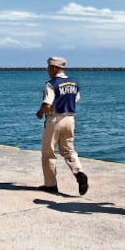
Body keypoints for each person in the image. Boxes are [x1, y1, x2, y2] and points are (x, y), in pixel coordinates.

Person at [35, 56, 88, 195]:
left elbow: (47, 104)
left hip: (55, 119)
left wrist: (40, 113)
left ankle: (50, 184)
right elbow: (77, 98)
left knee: (48, 153)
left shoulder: (51, 84)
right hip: (70, 119)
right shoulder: (74, 83)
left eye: (48, 68)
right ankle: (79, 173)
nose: (47, 70)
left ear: (53, 68)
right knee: (68, 150)